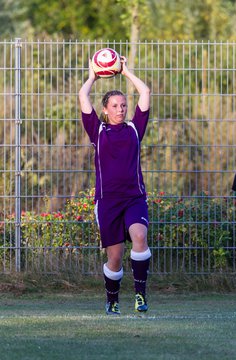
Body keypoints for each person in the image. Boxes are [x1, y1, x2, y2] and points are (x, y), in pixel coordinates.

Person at [79, 55, 151, 315]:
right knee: (115, 258)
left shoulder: (135, 128)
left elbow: (145, 92)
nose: (121, 109)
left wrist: (127, 72)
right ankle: (112, 300)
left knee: (140, 238)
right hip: (108, 202)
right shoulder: (97, 131)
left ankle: (140, 296)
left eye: (123, 105)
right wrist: (92, 76)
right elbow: (83, 98)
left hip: (134, 198)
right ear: (106, 109)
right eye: (115, 105)